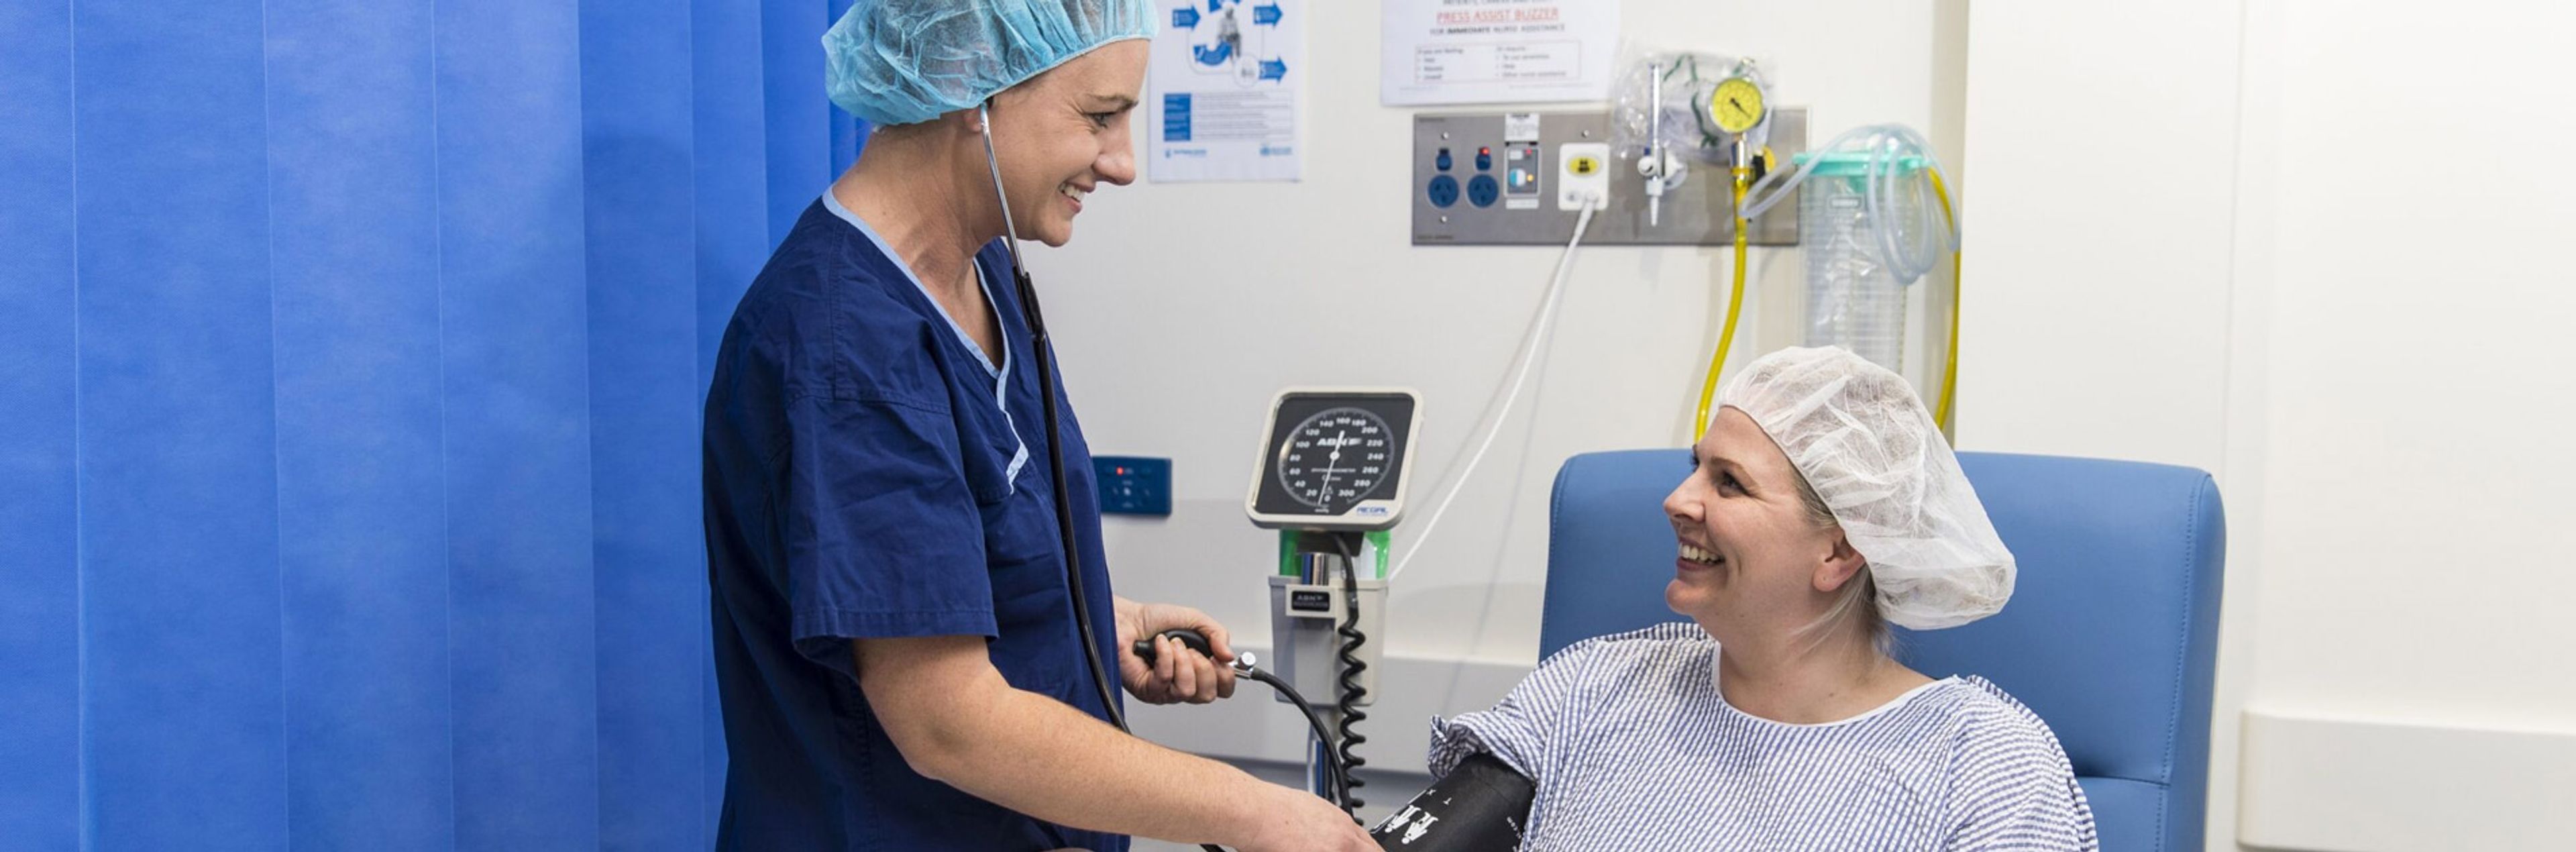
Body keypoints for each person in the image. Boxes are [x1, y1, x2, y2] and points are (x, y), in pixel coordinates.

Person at [700, 2, 1376, 849]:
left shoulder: (979, 272)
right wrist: (1261, 811)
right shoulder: (847, 353)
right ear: (967, 90)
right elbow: (947, 722)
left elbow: (944, 554)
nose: (1124, 164)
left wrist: (1092, 618)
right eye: (1099, 117)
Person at [1392, 347, 2096, 850]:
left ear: (1841, 550)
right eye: (1694, 467)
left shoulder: (1985, 765)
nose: (1678, 499)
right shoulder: (1592, 687)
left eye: (1729, 482)